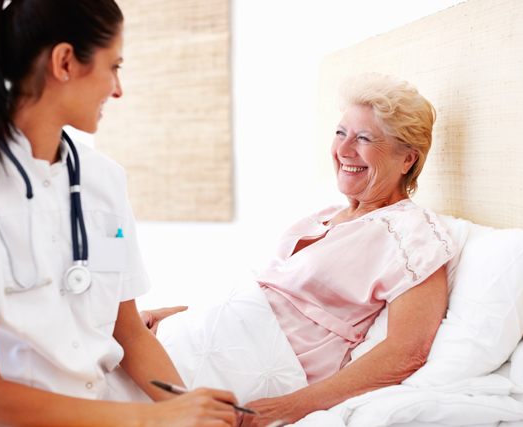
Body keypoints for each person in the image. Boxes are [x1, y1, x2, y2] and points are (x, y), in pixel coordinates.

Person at [0, 1, 237, 426]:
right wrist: (156, 419)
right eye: (114, 66)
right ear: (65, 62)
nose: (118, 89)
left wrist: (191, 410)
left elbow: (129, 332)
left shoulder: (104, 180)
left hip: (110, 410)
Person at [146, 73, 457, 427]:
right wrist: (170, 314)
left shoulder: (412, 234)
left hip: (252, 367)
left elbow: (407, 352)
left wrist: (292, 407)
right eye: (340, 133)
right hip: (190, 343)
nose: (343, 150)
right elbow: (268, 295)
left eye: (364, 138)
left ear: (407, 160)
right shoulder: (324, 215)